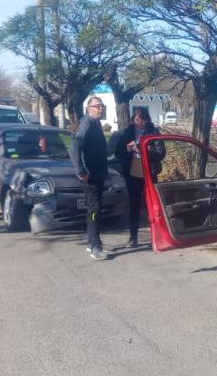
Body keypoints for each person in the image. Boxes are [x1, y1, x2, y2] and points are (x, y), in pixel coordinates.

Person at [114, 107, 165, 248]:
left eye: (143, 119)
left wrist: (143, 149)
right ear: (133, 120)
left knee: (152, 206)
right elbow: (118, 152)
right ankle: (133, 237)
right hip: (133, 175)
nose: (140, 122)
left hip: (149, 174)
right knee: (134, 206)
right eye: (137, 119)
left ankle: (155, 237)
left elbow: (161, 153)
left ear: (147, 119)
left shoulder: (153, 132)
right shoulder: (128, 132)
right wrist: (128, 149)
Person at [70, 96, 110, 260]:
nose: (100, 108)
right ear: (89, 108)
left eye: (102, 106)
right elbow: (74, 148)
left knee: (92, 209)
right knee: (94, 210)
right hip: (90, 176)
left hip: (98, 174)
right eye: (97, 106)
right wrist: (81, 171)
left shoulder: (96, 124)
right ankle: (95, 246)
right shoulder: (87, 123)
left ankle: (92, 241)